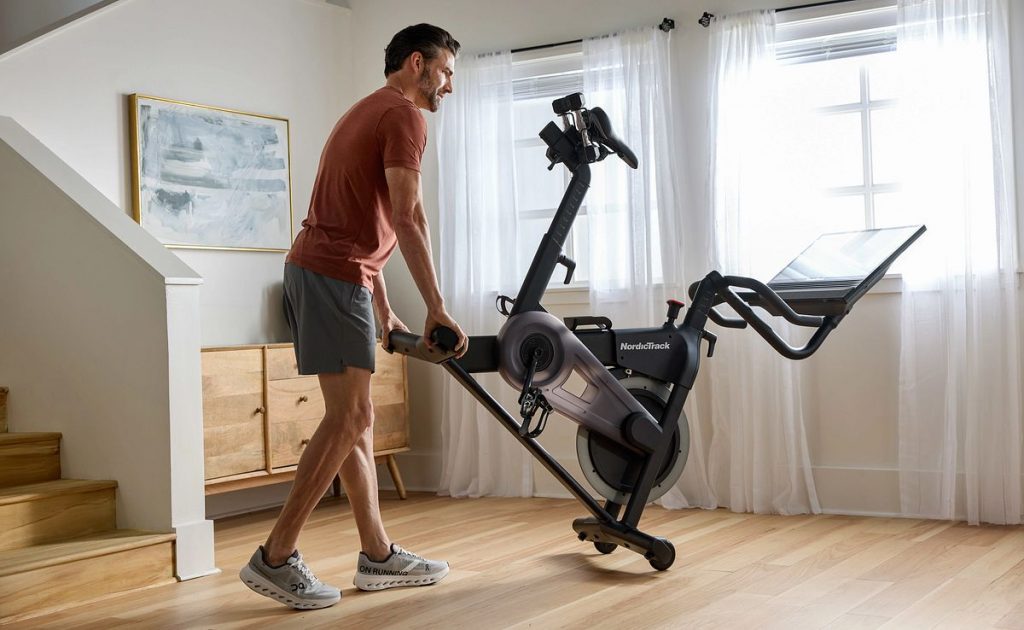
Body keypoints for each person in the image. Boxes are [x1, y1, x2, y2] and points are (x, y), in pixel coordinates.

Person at [239, 23, 468, 610]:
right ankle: (275, 557)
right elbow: (408, 215)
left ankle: (379, 556)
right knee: (350, 418)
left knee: (356, 423)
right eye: (445, 73)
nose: (448, 86)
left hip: (336, 274)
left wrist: (386, 310)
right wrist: (437, 308)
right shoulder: (404, 116)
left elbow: (371, 226)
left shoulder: (367, 110)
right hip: (333, 276)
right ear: (417, 64)